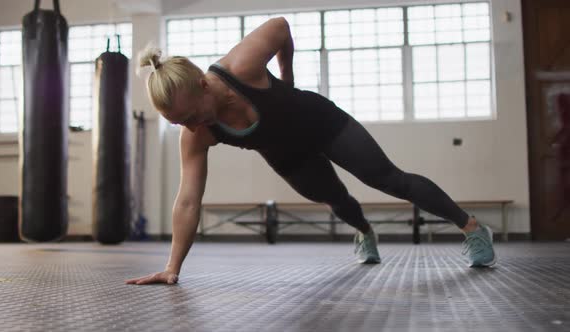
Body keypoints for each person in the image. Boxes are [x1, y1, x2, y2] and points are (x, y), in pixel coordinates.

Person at [125, 17, 496, 286]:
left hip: (321, 123)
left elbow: (281, 26)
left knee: (390, 179)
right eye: (179, 124)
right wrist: (173, 267)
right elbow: (188, 201)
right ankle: (365, 231)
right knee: (335, 198)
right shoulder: (198, 135)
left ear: (204, 85)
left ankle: (474, 229)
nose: (189, 127)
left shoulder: (241, 66)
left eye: (190, 116)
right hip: (286, 155)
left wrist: (286, 78)